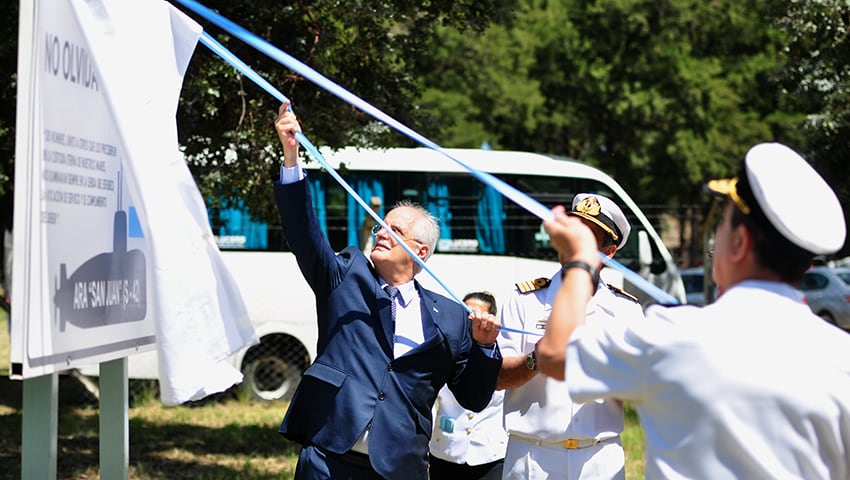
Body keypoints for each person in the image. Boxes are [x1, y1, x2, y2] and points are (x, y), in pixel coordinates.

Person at [536, 142, 850, 479]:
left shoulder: (674, 335)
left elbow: (554, 353)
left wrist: (581, 261)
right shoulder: (841, 357)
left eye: (722, 225)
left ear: (740, 243)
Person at [272, 102, 503, 480]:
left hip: (399, 469)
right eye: (382, 226)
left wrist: (483, 347)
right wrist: (291, 156)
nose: (381, 232)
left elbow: (473, 396)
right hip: (328, 459)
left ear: (421, 251)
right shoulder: (344, 276)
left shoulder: (452, 318)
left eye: (395, 230)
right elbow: (303, 233)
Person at [497, 193, 643, 480]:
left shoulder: (626, 309)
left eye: (586, 238)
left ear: (609, 251)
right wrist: (536, 360)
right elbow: (497, 377)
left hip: (599, 458)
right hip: (532, 457)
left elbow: (640, 391)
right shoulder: (524, 299)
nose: (572, 243)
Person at [429, 291, 508, 480]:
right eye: (466, 313)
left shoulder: (500, 352)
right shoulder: (445, 348)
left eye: (477, 314)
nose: (471, 319)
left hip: (488, 455)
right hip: (445, 450)